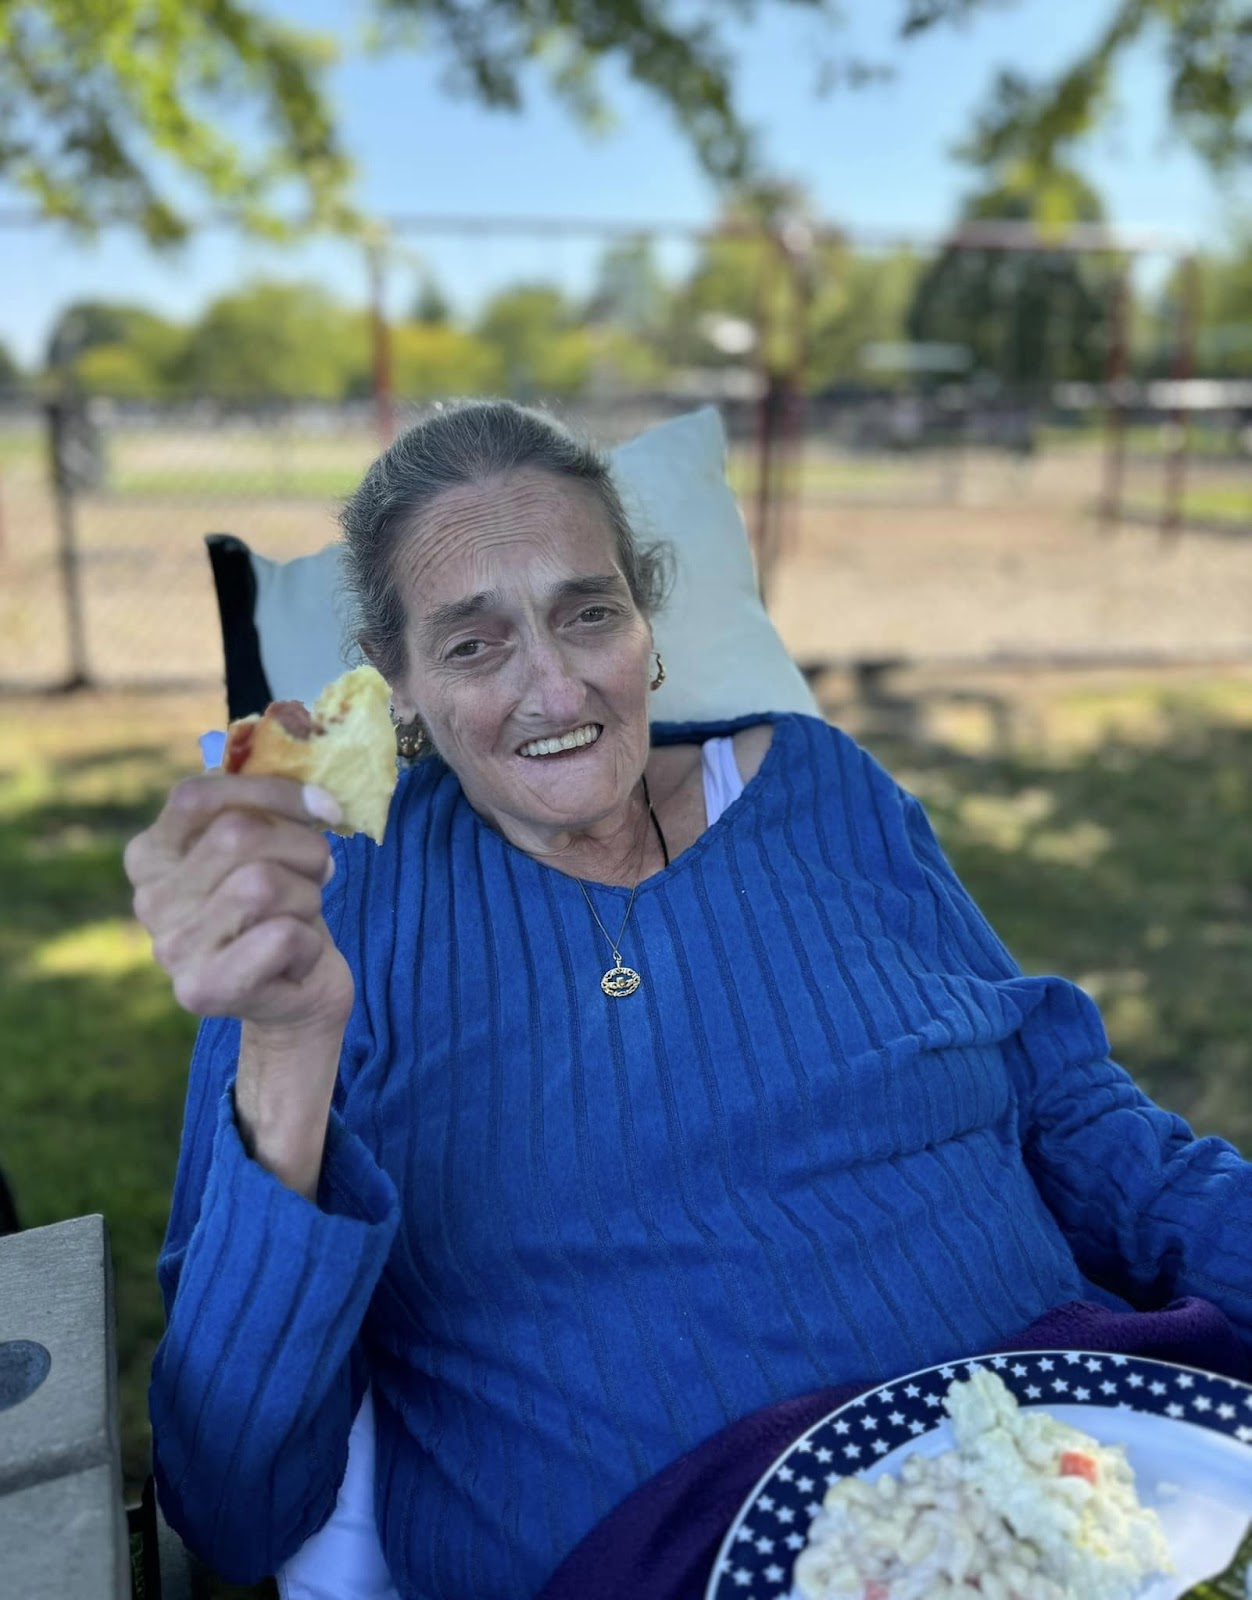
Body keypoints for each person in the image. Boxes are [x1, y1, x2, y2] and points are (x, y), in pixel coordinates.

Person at [124, 400, 1252, 1600]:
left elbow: (1078, 1123)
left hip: (1096, 1470)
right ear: (395, 682)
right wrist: (290, 1048)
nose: (555, 690)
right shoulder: (315, 911)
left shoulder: (828, 788)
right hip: (674, 1553)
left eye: (587, 612)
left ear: (644, 620)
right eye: (472, 644)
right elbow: (233, 1505)